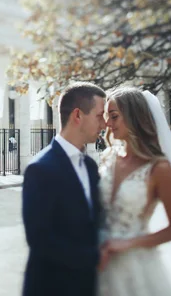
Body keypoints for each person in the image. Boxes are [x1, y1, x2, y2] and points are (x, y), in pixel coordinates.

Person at [97, 86, 171, 296]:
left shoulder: (160, 169)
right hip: (99, 262)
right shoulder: (108, 159)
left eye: (113, 116)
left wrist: (127, 244)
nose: (107, 123)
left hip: (137, 265)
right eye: (107, 116)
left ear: (134, 117)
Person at [22, 82, 107, 296]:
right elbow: (39, 239)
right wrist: (93, 258)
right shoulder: (40, 169)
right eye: (99, 115)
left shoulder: (89, 166)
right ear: (77, 115)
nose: (104, 124)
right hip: (51, 286)